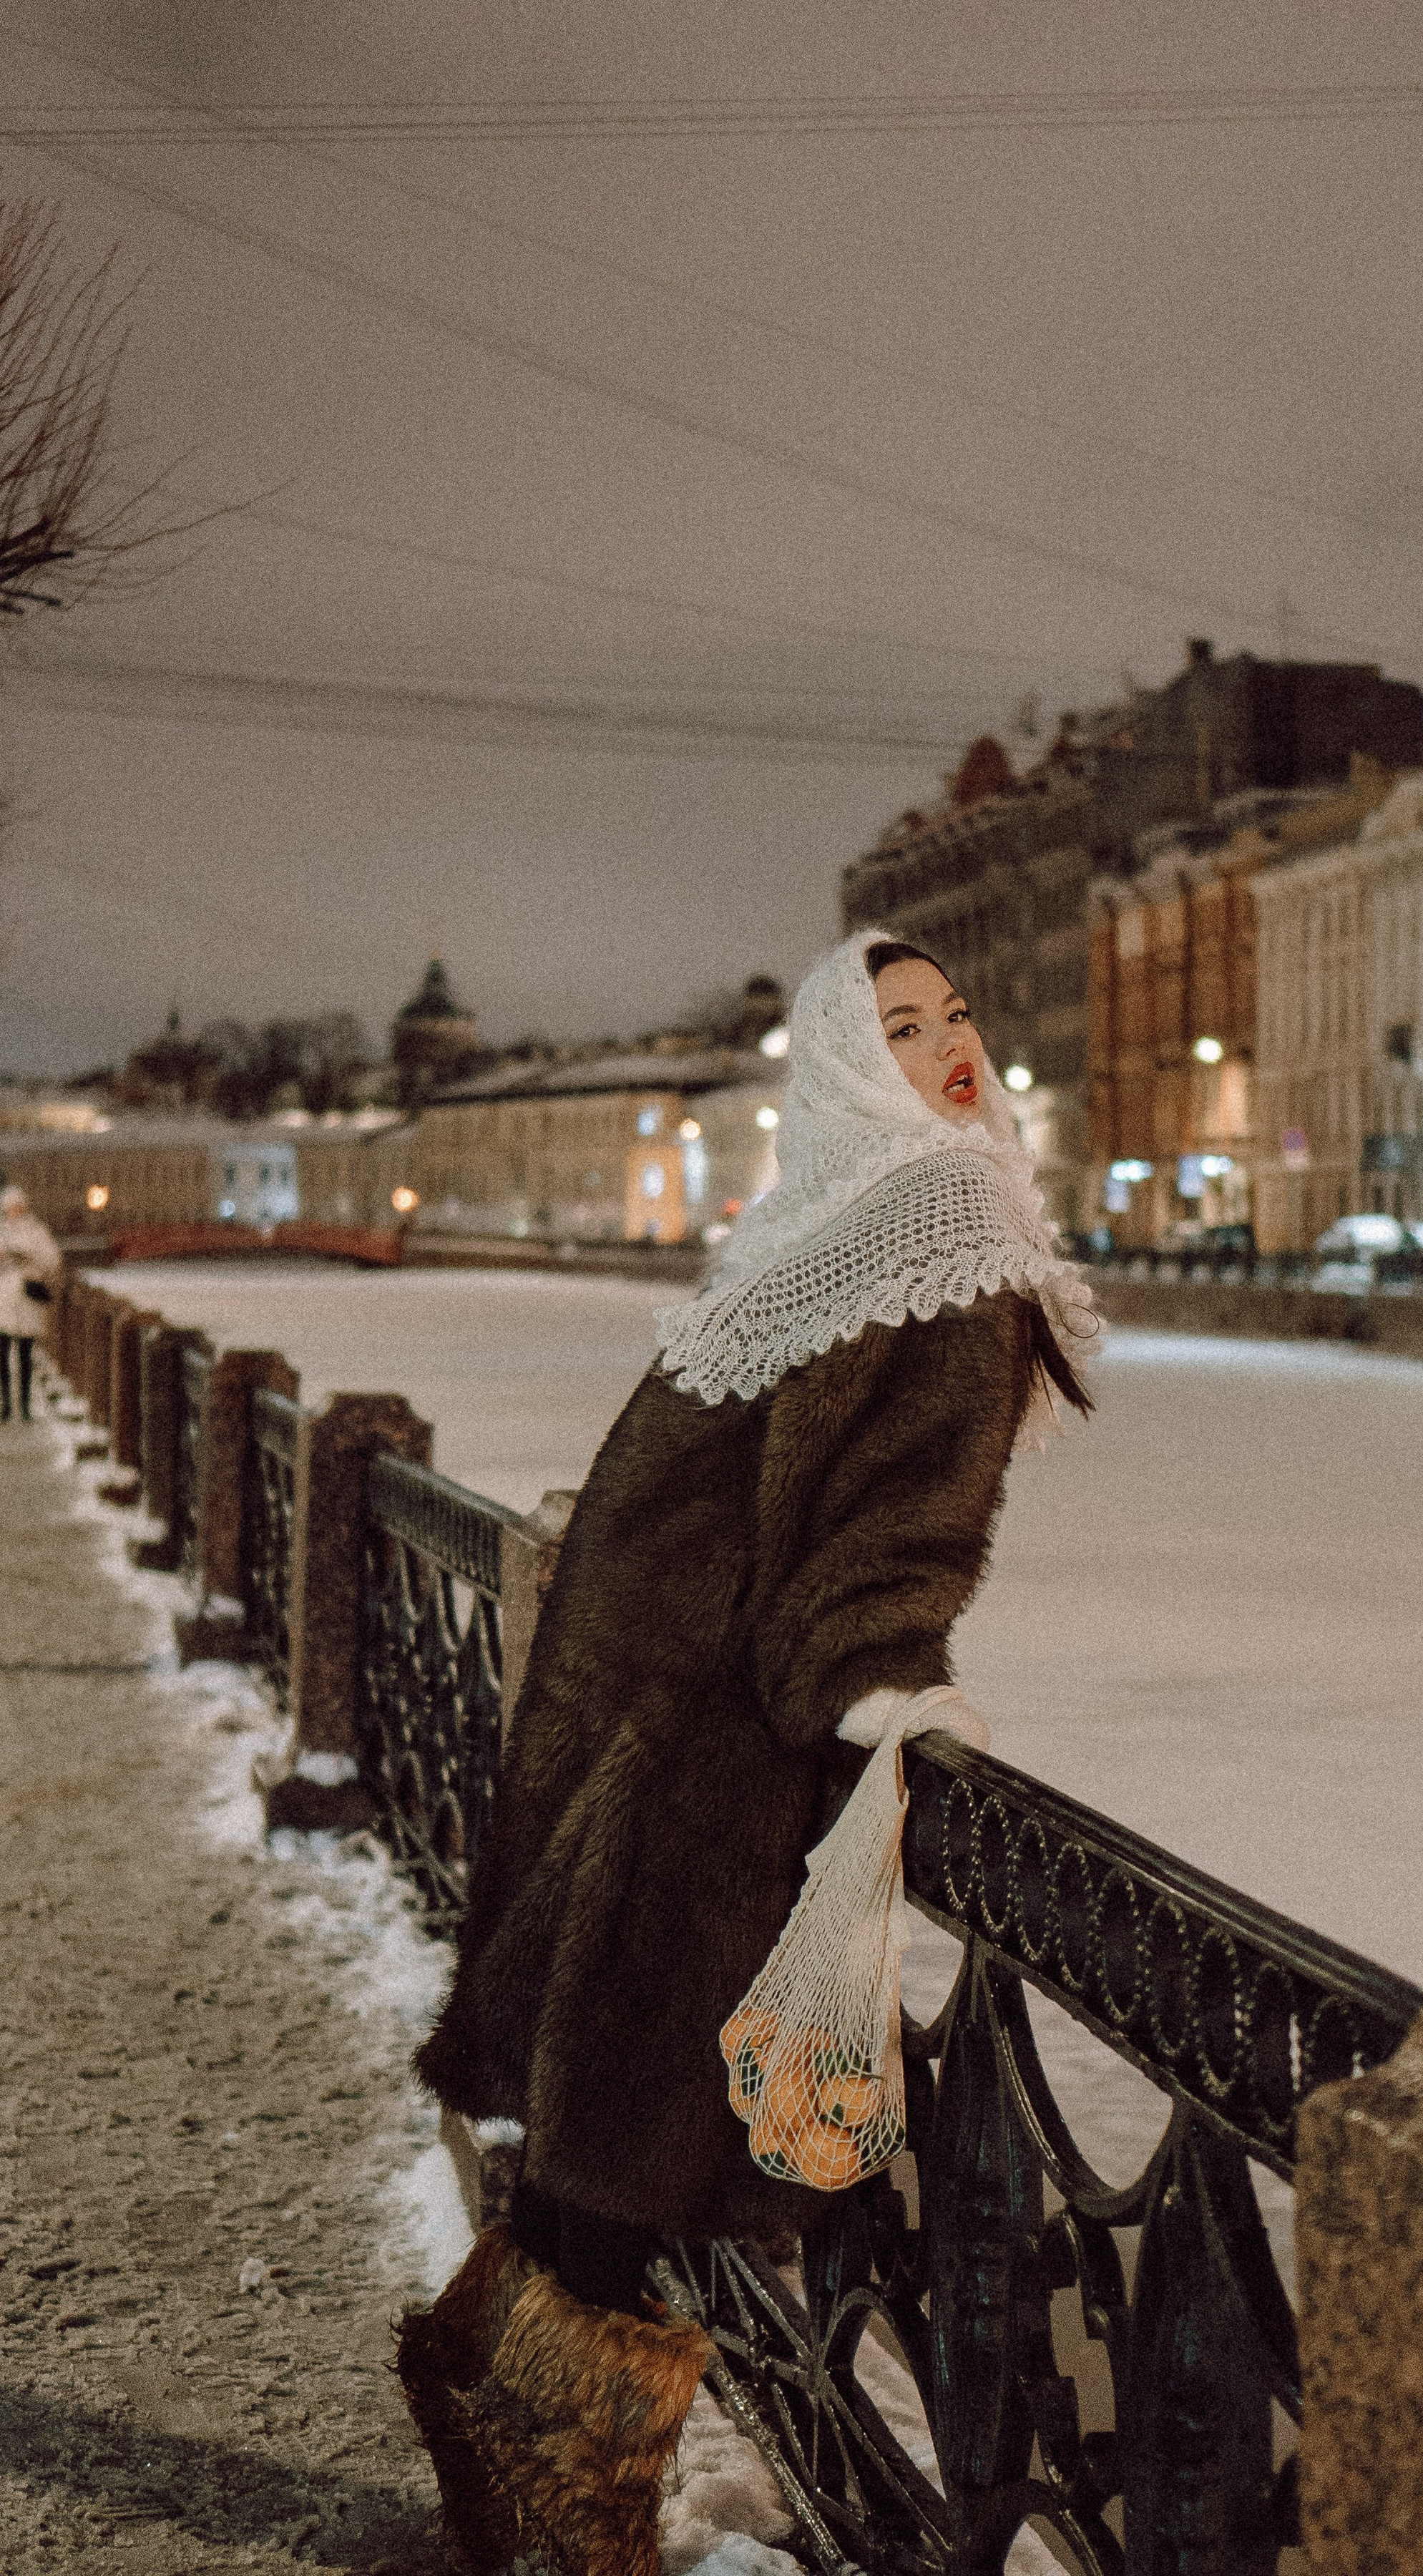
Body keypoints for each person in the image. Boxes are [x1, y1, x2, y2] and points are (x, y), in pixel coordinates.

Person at [401, 930, 1092, 2575]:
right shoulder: (945, 1216)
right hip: (715, 1787)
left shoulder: (816, 1225)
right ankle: (560, 2525)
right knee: (621, 2199)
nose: (950, 1051)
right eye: (902, 1025)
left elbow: (735, 1505)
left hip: (636, 1756)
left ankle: (506, 2475)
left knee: (587, 2184)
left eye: (956, 1016)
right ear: (847, 1064)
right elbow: (884, 1530)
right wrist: (879, 1681)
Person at [0, 1184, 62, 1424]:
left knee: (26, 1354)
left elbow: (53, 1260)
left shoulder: (37, 1232)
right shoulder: (1, 1232)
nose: (14, 1212)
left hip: (27, 1299)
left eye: (17, 1207)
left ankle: (24, 1405)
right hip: (4, 1300)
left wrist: (31, 1260)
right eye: (9, 1208)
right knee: (2, 1354)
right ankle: (6, 1404)